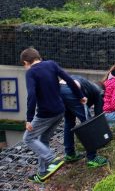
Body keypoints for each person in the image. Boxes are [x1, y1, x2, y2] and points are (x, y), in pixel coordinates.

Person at [20, 47, 85, 184]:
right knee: (43, 139)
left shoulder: (31, 73)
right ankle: (42, 173)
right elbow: (69, 80)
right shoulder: (51, 64)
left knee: (28, 137)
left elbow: (31, 96)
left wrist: (29, 119)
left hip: (46, 114)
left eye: (24, 65)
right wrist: (80, 96)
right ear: (38, 57)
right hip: (60, 111)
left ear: (26, 62)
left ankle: (52, 159)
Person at [60, 75, 108, 168]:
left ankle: (70, 154)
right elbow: (98, 117)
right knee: (88, 124)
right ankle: (92, 158)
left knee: (69, 122)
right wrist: (102, 136)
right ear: (103, 92)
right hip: (71, 90)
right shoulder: (98, 92)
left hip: (59, 89)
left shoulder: (88, 86)